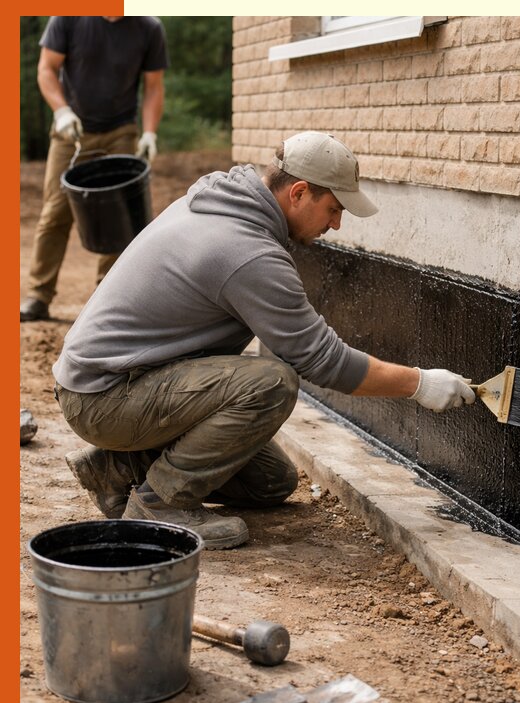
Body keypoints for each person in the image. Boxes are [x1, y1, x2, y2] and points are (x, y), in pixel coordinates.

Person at [53, 131, 475, 550]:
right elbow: (323, 361)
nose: (336, 223)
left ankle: (114, 469)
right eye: (333, 208)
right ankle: (159, 504)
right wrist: (419, 384)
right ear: (299, 192)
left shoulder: (224, 204)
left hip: (112, 381)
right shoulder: (246, 250)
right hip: (105, 396)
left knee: (273, 483)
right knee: (272, 382)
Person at [20, 16, 169, 322]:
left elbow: (153, 87)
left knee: (121, 215)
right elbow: (46, 69)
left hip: (120, 132)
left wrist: (150, 133)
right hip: (71, 128)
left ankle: (108, 299)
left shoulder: (148, 28)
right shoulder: (67, 18)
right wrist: (61, 111)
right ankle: (38, 294)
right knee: (56, 211)